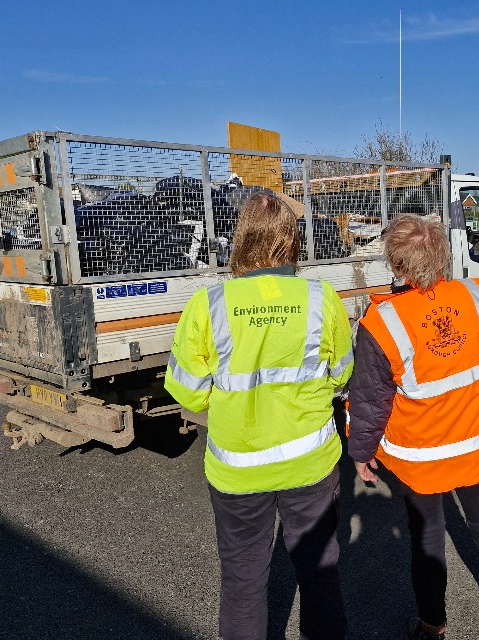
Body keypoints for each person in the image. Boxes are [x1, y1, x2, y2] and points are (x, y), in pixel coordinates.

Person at [164, 192, 354, 640]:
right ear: (290, 240)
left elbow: (187, 393)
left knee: (244, 582)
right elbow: (342, 372)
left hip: (237, 469)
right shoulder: (321, 298)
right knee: (320, 574)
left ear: (242, 239)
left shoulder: (208, 304)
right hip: (310, 462)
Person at [347, 214, 479, 640]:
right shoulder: (478, 295)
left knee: (427, 539)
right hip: (474, 443)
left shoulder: (382, 323)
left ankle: (432, 626)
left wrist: (361, 452)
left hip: (420, 457)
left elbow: (371, 400)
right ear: (443, 256)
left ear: (395, 265)